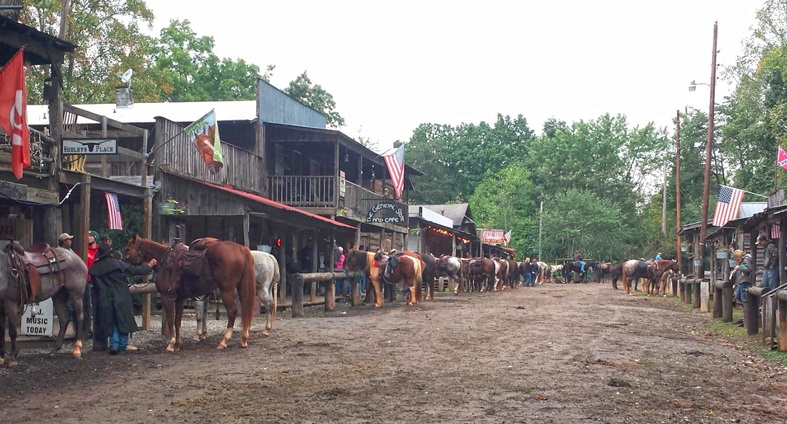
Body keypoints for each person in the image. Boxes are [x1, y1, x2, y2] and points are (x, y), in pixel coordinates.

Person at [89, 243, 156, 354]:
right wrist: (149, 265)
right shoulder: (118, 264)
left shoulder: (95, 268)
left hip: (104, 299)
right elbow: (135, 270)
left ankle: (114, 345)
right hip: (121, 296)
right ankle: (122, 346)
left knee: (112, 322)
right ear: (110, 254)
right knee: (123, 321)